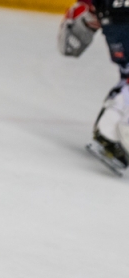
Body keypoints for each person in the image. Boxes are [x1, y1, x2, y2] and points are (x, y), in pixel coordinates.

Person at [59, 0, 129, 174]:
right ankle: (109, 132)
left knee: (127, 74)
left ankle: (108, 131)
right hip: (119, 16)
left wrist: (91, 10)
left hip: (113, 18)